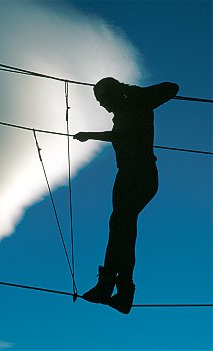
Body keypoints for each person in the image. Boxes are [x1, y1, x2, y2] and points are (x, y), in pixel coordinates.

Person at [74, 77, 179, 314]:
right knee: (124, 229)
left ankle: (110, 286)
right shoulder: (127, 111)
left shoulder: (138, 104)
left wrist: (91, 134)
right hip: (134, 175)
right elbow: (123, 134)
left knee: (121, 227)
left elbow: (171, 87)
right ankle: (121, 291)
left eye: (102, 99)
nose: (101, 105)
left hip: (137, 174)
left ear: (114, 93)